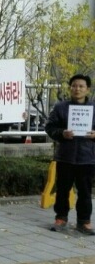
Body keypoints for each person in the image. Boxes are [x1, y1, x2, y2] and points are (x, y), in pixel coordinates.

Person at [45, 74, 95, 235]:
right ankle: (60, 218)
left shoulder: (94, 108)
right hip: (65, 156)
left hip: (87, 158)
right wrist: (62, 133)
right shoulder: (60, 107)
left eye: (81, 86)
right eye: (74, 86)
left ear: (87, 89)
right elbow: (49, 127)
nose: (77, 89)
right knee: (62, 190)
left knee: (85, 192)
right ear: (70, 88)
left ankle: (84, 222)